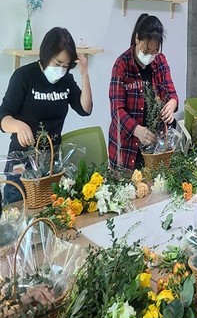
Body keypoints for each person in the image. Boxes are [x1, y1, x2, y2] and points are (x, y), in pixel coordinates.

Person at [0, 27, 92, 204]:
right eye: (57, 64)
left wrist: (84, 74)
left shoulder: (65, 80)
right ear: (46, 54)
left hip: (52, 160)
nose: (61, 70)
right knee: (17, 212)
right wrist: (19, 126)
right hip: (22, 160)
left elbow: (85, 109)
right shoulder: (24, 76)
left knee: (50, 212)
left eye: (66, 66)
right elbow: (3, 116)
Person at [108, 14, 178, 170]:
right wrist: (136, 130)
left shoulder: (160, 61)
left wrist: (172, 104)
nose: (150, 56)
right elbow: (116, 110)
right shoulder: (122, 65)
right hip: (127, 148)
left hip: (154, 147)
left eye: (154, 51)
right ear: (137, 39)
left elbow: (170, 92)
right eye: (146, 50)